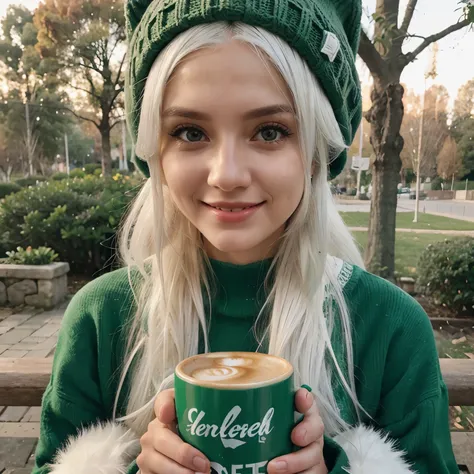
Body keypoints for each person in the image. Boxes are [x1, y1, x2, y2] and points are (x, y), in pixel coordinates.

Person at [32, 0, 458, 473]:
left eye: (270, 131)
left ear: (317, 151)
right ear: (155, 151)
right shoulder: (99, 319)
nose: (227, 174)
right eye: (190, 132)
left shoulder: (391, 329)